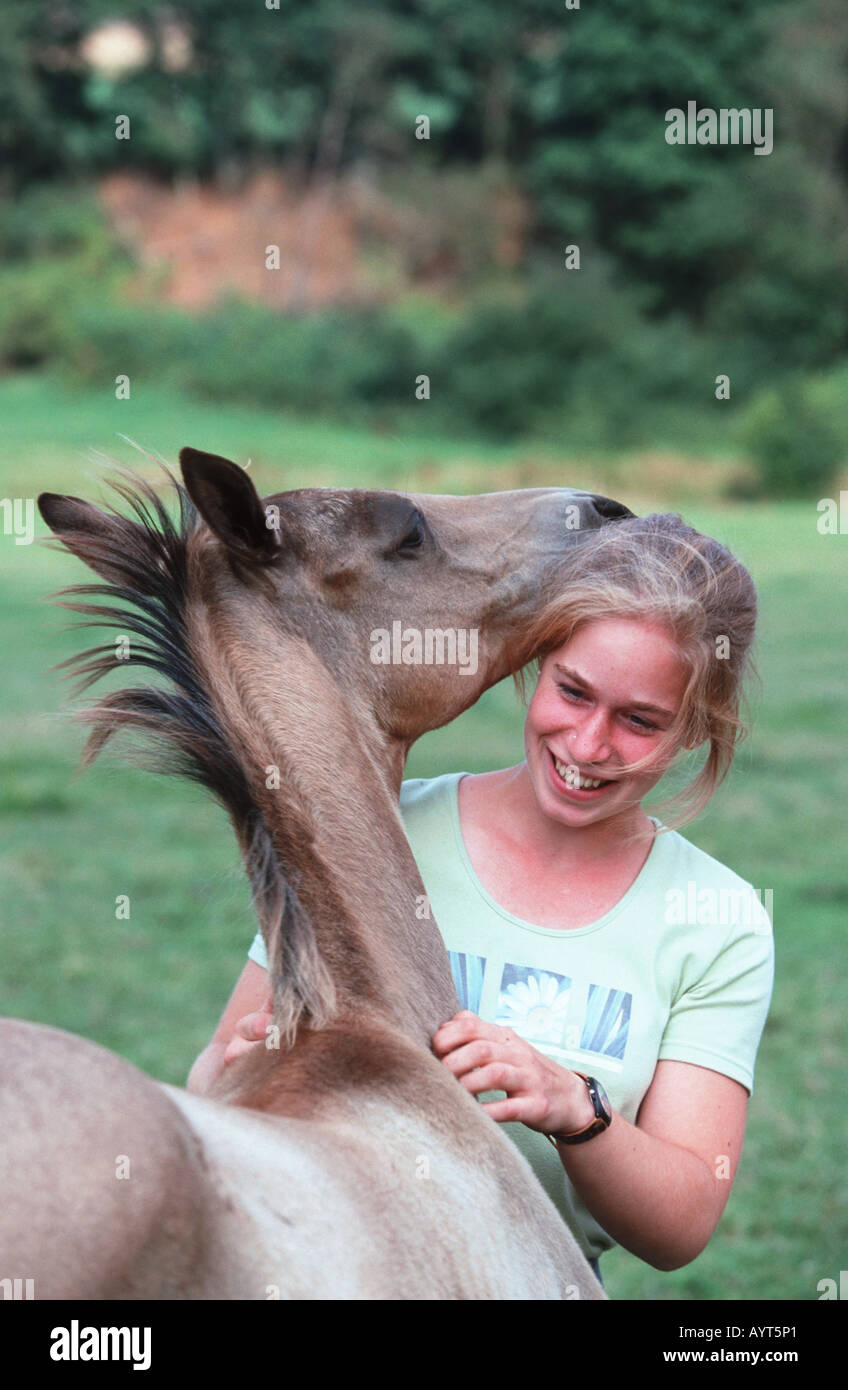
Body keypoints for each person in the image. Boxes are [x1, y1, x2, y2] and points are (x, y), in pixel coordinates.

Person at [187, 513, 774, 1286]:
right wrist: (245, 1066)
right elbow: (205, 1085)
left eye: (640, 721)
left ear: (696, 729)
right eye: (573, 691)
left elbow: (682, 1223)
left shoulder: (716, 922)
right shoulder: (380, 833)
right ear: (536, 663)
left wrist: (575, 1108)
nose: (589, 744)